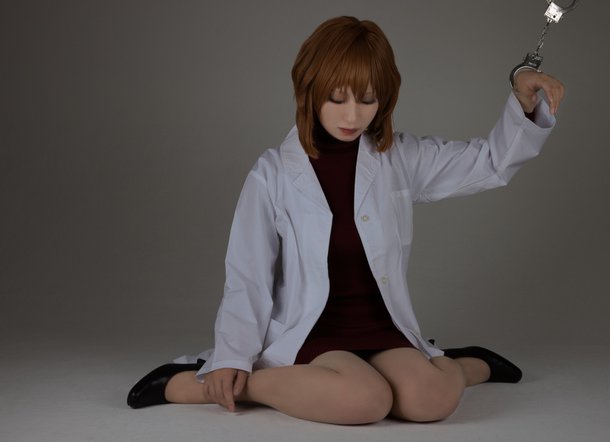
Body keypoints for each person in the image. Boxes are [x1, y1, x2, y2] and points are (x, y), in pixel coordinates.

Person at [127, 16, 564, 424]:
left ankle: (468, 365)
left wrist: (521, 99)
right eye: (337, 98)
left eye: (368, 98)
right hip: (314, 334)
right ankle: (203, 385)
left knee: (431, 400)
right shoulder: (272, 173)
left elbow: (490, 163)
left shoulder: (398, 157)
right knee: (365, 401)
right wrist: (231, 357)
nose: (353, 115)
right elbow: (248, 276)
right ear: (310, 89)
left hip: (381, 326)